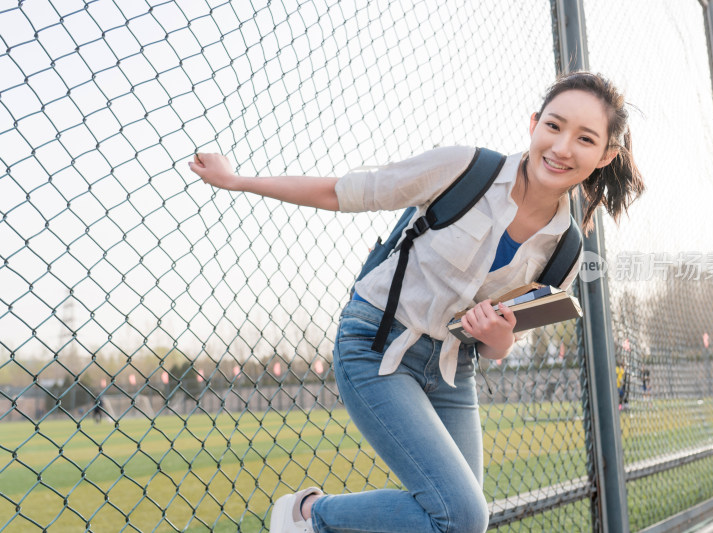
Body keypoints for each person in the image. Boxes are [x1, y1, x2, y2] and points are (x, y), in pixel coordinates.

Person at [189, 71, 644, 533]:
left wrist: (498, 338)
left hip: (452, 368)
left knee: (456, 524)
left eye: (585, 138)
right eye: (554, 126)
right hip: (375, 342)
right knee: (462, 516)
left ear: (606, 155)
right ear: (533, 124)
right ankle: (308, 515)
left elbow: (497, 346)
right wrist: (239, 181)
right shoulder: (466, 170)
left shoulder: (565, 249)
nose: (562, 147)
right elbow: (344, 192)